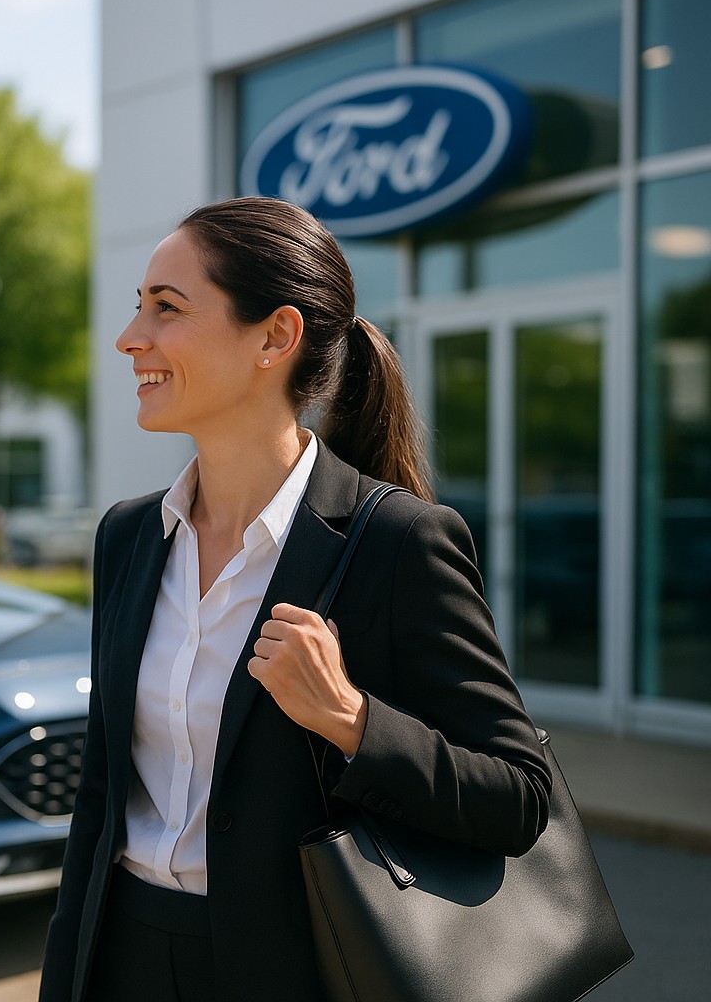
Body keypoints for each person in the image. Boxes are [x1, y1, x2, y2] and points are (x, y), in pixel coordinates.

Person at [39, 197, 550, 1001]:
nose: (130, 337)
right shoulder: (129, 536)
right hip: (120, 957)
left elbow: (518, 798)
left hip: (291, 974)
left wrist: (351, 718)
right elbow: (100, 801)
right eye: (139, 306)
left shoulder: (399, 543)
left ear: (275, 337)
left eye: (166, 307)